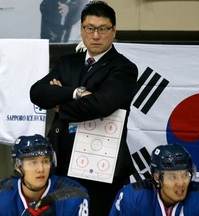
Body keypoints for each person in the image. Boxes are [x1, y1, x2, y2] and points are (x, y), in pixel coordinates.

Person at [30, 1, 138, 215]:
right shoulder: (68, 62)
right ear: (81, 29)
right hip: (62, 164)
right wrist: (76, 93)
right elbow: (37, 93)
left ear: (113, 31)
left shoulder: (124, 68)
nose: (95, 35)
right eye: (89, 28)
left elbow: (101, 105)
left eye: (103, 29)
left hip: (101, 167)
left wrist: (60, 105)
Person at [0, 134, 89, 216]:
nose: (41, 169)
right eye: (33, 163)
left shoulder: (74, 195)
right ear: (17, 166)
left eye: (45, 161)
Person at [109, 143, 199, 216]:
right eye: (172, 177)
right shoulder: (132, 197)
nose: (181, 182)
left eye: (185, 175)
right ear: (157, 178)